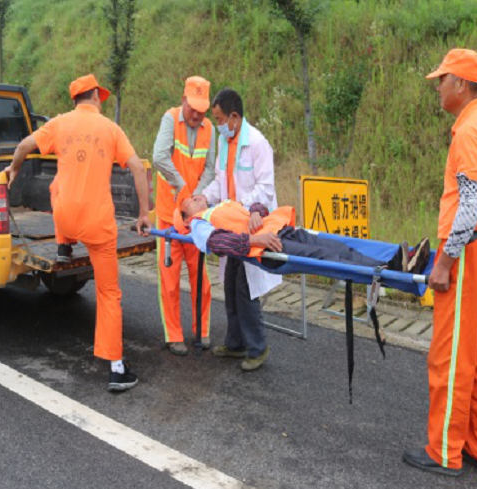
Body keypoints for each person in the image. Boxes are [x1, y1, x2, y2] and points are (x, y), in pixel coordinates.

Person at [5, 74, 152, 392]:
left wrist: (14, 169)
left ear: (75, 99)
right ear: (96, 96)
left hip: (66, 219)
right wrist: (143, 214)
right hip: (98, 224)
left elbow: (23, 146)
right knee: (108, 293)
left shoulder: (59, 124)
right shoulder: (110, 129)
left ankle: (63, 245)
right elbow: (139, 169)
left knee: (58, 183)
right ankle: (116, 369)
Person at [403, 49, 477, 477]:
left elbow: (468, 206)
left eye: (442, 80)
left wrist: (444, 263)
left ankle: (444, 451)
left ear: (462, 84)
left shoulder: (468, 131)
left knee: (449, 358)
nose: (438, 87)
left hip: (468, 254)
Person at [199, 88, 281, 371]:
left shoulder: (257, 143)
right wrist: (205, 197)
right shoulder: (225, 143)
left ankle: (257, 347)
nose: (218, 125)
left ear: (234, 116)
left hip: (252, 226)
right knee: (231, 283)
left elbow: (265, 188)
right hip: (232, 226)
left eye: (219, 119)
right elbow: (220, 182)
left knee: (246, 288)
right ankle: (235, 343)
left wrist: (239, 207)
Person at [175, 192, 430, 275]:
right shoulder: (198, 225)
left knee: (340, 248)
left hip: (285, 231)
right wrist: (256, 239)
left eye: (195, 195)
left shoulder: (222, 205)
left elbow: (259, 206)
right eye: (190, 201)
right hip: (272, 246)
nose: (196, 196)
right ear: (186, 218)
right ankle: (394, 270)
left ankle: (397, 261)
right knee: (327, 257)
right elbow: (218, 243)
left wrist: (254, 212)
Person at [152, 76, 216, 356]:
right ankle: (173, 335)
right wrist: (183, 192)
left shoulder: (209, 128)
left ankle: (202, 330)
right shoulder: (170, 120)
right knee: (169, 278)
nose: (196, 115)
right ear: (183, 100)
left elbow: (211, 168)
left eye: (202, 110)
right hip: (169, 216)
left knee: (200, 276)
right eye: (192, 108)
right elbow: (159, 157)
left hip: (195, 218)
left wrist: (196, 198)